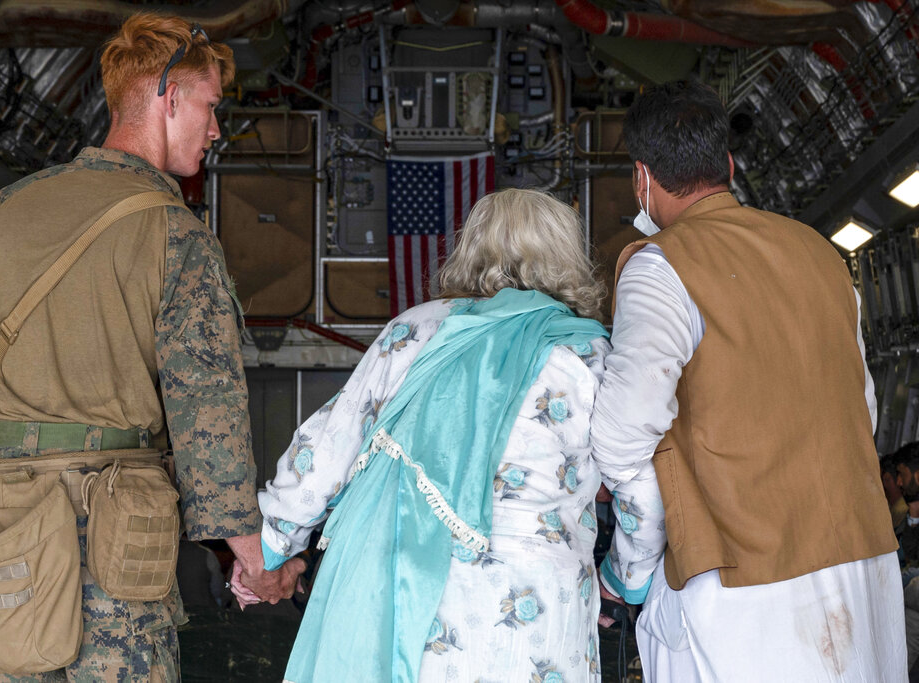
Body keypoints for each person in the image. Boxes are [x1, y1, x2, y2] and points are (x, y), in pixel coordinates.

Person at [0, 13, 302, 681]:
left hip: (0, 541)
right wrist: (256, 560)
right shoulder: (178, 239)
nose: (216, 129)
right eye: (210, 107)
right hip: (114, 559)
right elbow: (207, 422)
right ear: (169, 99)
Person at [235, 188, 657, 682]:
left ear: (470, 248)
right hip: (541, 601)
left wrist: (266, 551)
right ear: (567, 255)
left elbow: (327, 448)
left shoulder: (415, 332)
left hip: (420, 589)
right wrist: (623, 579)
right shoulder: (589, 357)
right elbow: (640, 489)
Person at [591, 79, 905, 681]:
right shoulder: (822, 255)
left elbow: (623, 433)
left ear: (642, 179)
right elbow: (861, 408)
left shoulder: (660, 267)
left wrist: (625, 574)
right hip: (860, 562)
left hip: (741, 590)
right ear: (729, 166)